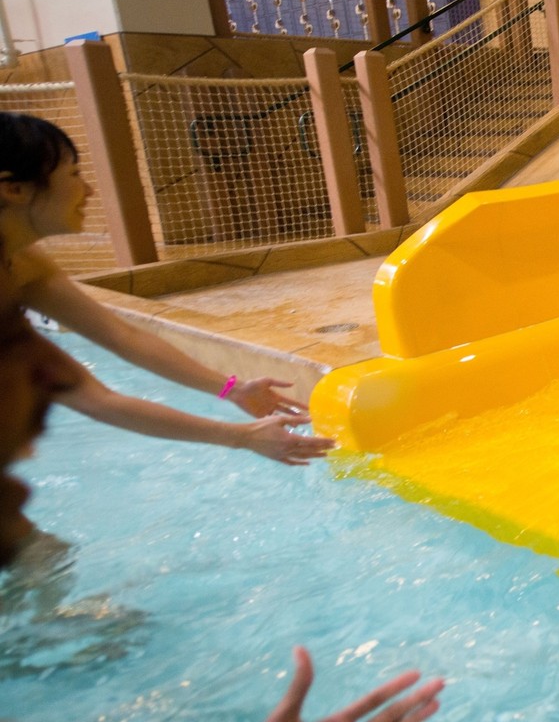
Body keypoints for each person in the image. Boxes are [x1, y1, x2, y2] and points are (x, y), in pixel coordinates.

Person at [1, 258, 446, 722]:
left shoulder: (25, 280)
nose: (30, 459)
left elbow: (101, 380)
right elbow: (98, 389)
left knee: (44, 555)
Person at [0, 112, 333, 465]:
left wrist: (232, 389)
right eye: (74, 174)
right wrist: (242, 437)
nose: (89, 190)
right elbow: (92, 398)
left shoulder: (23, 262)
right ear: (14, 189)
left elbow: (124, 337)